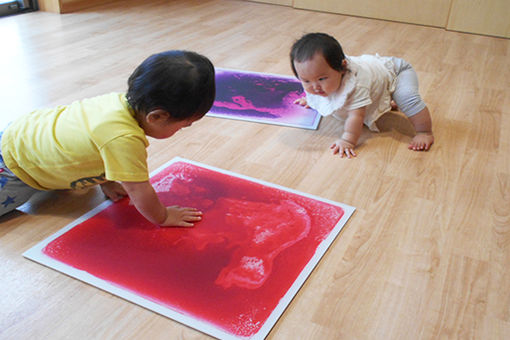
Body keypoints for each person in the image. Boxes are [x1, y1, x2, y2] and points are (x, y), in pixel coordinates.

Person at [0, 50, 216, 226]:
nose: (185, 129)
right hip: (15, 167)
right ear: (156, 116)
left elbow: (98, 145)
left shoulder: (118, 103)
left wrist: (107, 180)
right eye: (185, 125)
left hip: (23, 132)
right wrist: (164, 216)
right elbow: (138, 188)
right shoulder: (124, 139)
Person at [290, 32, 434, 158]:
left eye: (321, 79)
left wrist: (347, 140)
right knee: (319, 84)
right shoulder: (323, 74)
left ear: (343, 68)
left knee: (405, 98)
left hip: (397, 72)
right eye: (306, 80)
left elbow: (356, 116)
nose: (314, 87)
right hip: (377, 76)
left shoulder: (357, 84)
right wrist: (313, 100)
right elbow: (314, 83)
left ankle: (425, 132)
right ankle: (387, 101)